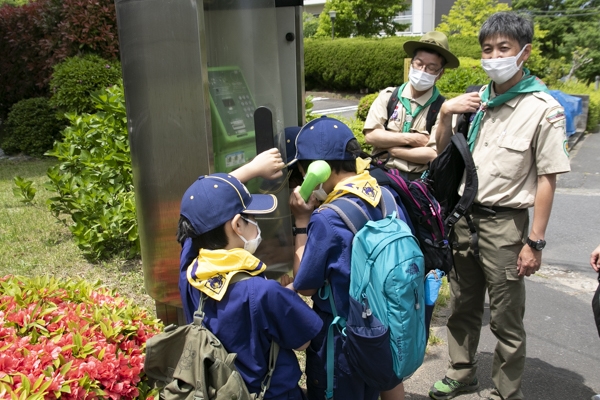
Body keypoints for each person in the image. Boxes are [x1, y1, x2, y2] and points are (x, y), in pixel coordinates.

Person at [428, 12, 571, 400]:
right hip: (464, 217)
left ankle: (507, 391)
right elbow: (441, 153)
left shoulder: (542, 107)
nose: (493, 56)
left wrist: (535, 242)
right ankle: (461, 372)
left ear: (524, 53)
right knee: (462, 303)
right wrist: (445, 113)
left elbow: (548, 177)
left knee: (506, 316)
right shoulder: (476, 101)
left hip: (506, 225)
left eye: (503, 48)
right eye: (487, 49)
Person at [176, 152, 323, 400]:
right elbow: (303, 342)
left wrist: (251, 169)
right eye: (252, 217)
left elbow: (197, 212)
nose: (256, 222)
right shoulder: (264, 293)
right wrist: (285, 300)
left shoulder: (189, 270)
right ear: (236, 225)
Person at [286, 116, 408, 400]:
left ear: (317, 170)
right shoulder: (388, 196)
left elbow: (305, 285)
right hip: (385, 326)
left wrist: (302, 222)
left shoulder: (327, 218)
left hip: (343, 340)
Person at [363, 31, 460, 181]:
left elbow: (433, 154)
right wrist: (411, 139)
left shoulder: (443, 109)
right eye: (419, 64)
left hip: (416, 182)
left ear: (440, 74)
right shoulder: (389, 96)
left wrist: (392, 149)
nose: (422, 71)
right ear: (411, 64)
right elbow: (371, 136)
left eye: (431, 68)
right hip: (380, 174)